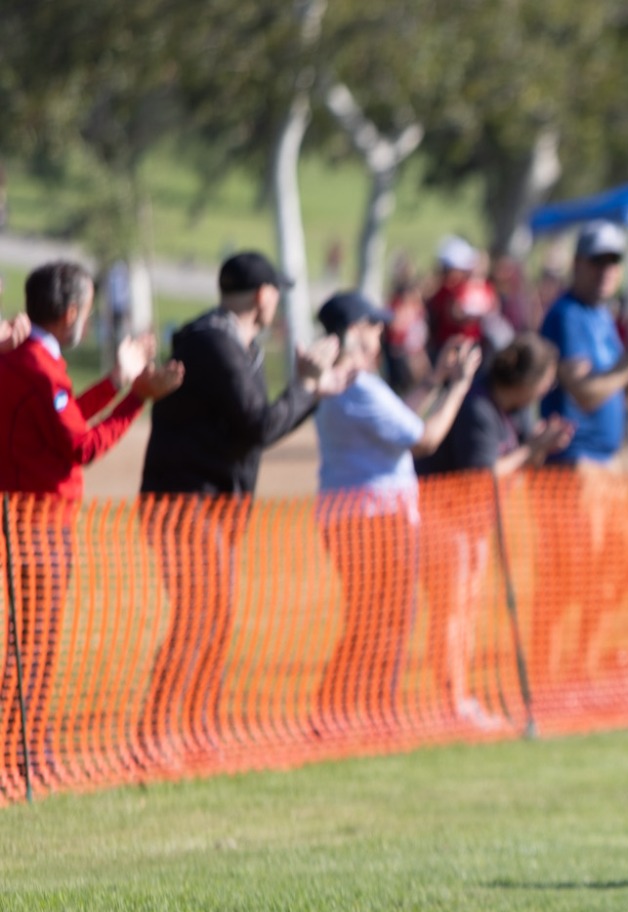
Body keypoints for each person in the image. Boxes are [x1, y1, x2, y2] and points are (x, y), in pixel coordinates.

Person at [135, 252, 350, 769]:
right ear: (263, 295)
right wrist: (307, 386)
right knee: (199, 618)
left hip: (213, 505)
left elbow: (258, 427)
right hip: (190, 505)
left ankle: (196, 732)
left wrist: (311, 391)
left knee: (213, 618)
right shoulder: (215, 343)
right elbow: (258, 425)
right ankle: (157, 737)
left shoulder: (229, 342)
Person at [0, 261, 182, 795]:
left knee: (27, 641)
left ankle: (21, 745)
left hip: (23, 519)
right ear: (73, 313)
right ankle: (21, 751)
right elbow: (81, 446)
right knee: (35, 642)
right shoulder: (39, 366)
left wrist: (118, 383)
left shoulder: (21, 359)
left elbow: (66, 422)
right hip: (40, 526)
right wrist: (137, 399)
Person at [311, 292, 480, 738]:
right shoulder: (357, 387)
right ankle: (363, 713)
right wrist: (458, 387)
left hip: (359, 515)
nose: (381, 333)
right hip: (374, 518)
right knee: (385, 621)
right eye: (373, 325)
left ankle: (345, 713)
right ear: (353, 332)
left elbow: (400, 418)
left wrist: (437, 379)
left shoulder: (345, 383)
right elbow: (424, 438)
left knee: (374, 619)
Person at [534, 221, 628, 686]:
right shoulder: (567, 316)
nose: (606, 270)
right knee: (570, 575)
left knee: (620, 568)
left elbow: (626, 395)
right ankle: (555, 672)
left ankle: (582, 663)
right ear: (577, 264)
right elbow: (587, 394)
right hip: (574, 461)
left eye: (613, 262)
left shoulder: (600, 316)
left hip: (604, 462)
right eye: (597, 261)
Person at [416, 333, 573, 729]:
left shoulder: (510, 411)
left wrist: (537, 447)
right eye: (545, 380)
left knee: (464, 613)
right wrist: (529, 449)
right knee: (451, 614)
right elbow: (480, 477)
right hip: (444, 523)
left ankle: (458, 697)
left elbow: (510, 467)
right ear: (527, 380)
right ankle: (451, 702)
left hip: (472, 526)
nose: (548, 389)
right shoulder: (479, 409)